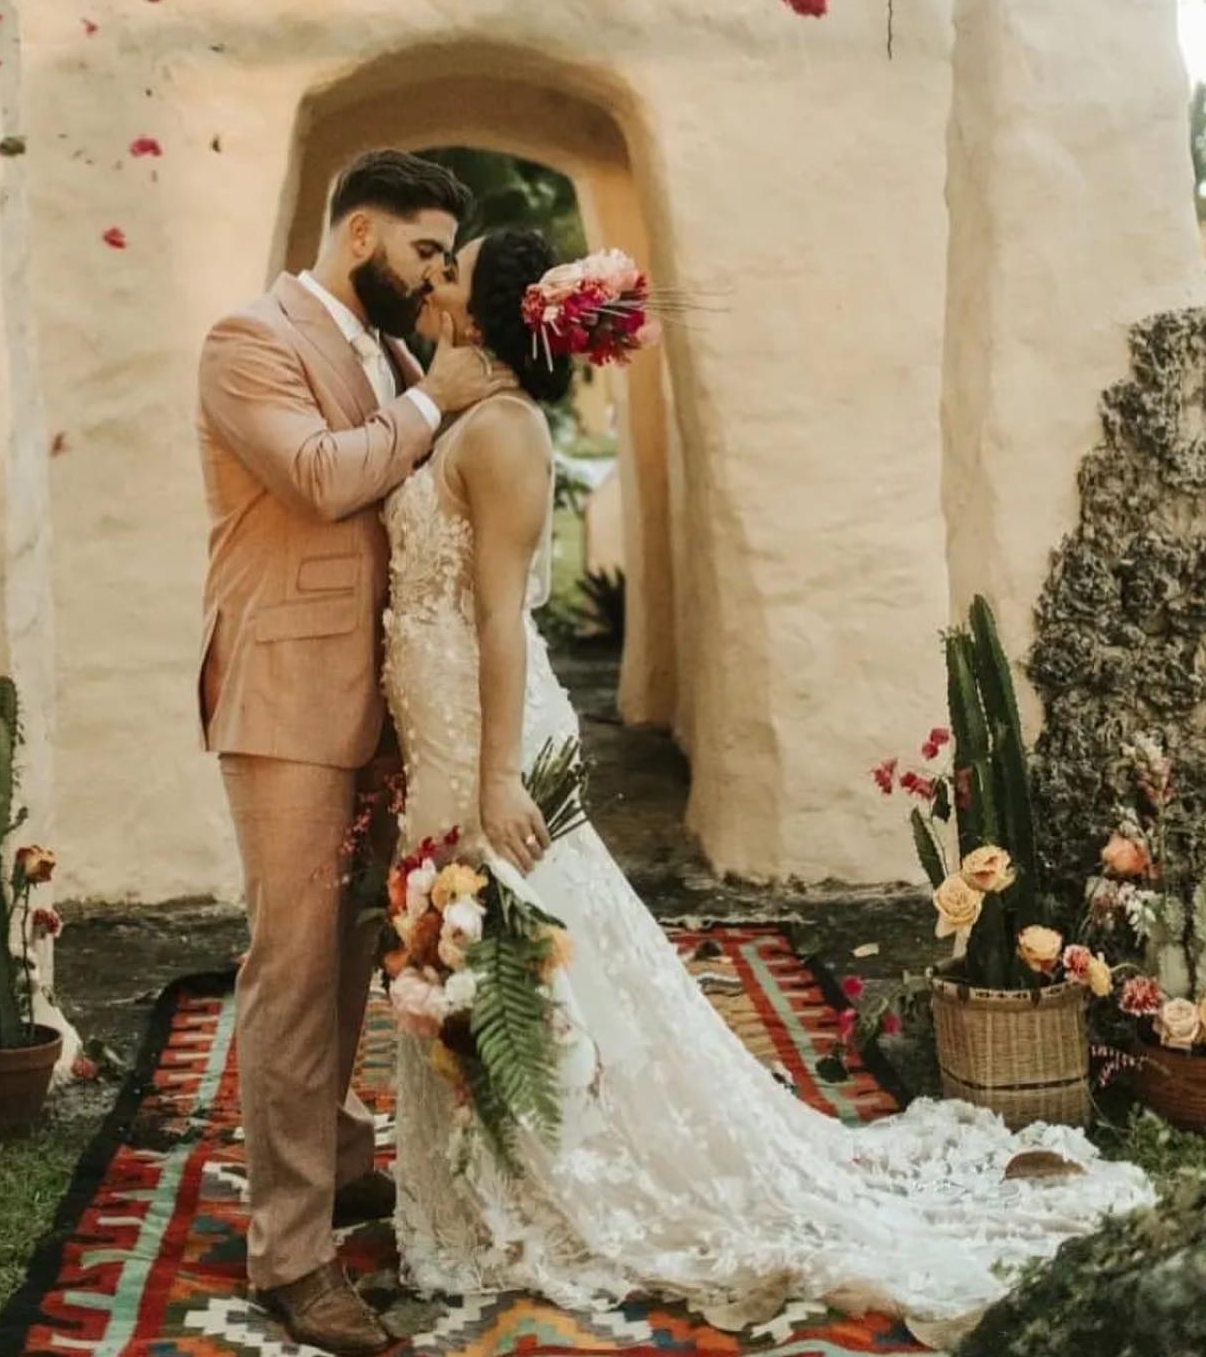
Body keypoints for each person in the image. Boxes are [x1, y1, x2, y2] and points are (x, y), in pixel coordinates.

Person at [380, 227, 1155, 1350]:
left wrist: (497, 774)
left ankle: (571, 1174)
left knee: (524, 957)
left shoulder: (501, 432)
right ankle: (498, 1171)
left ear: (489, 308)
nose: (434, 278)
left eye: (453, 269)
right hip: (444, 731)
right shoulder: (460, 411)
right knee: (481, 954)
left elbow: (501, 616)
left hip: (485, 736)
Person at [195, 150, 515, 1356]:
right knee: (291, 969)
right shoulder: (249, 339)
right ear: (362, 231)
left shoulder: (388, 353)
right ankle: (290, 1256)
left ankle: (332, 1159)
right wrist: (438, 400)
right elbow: (323, 477)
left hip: (380, 698)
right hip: (285, 693)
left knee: (346, 951)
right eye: (426, 250)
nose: (434, 275)